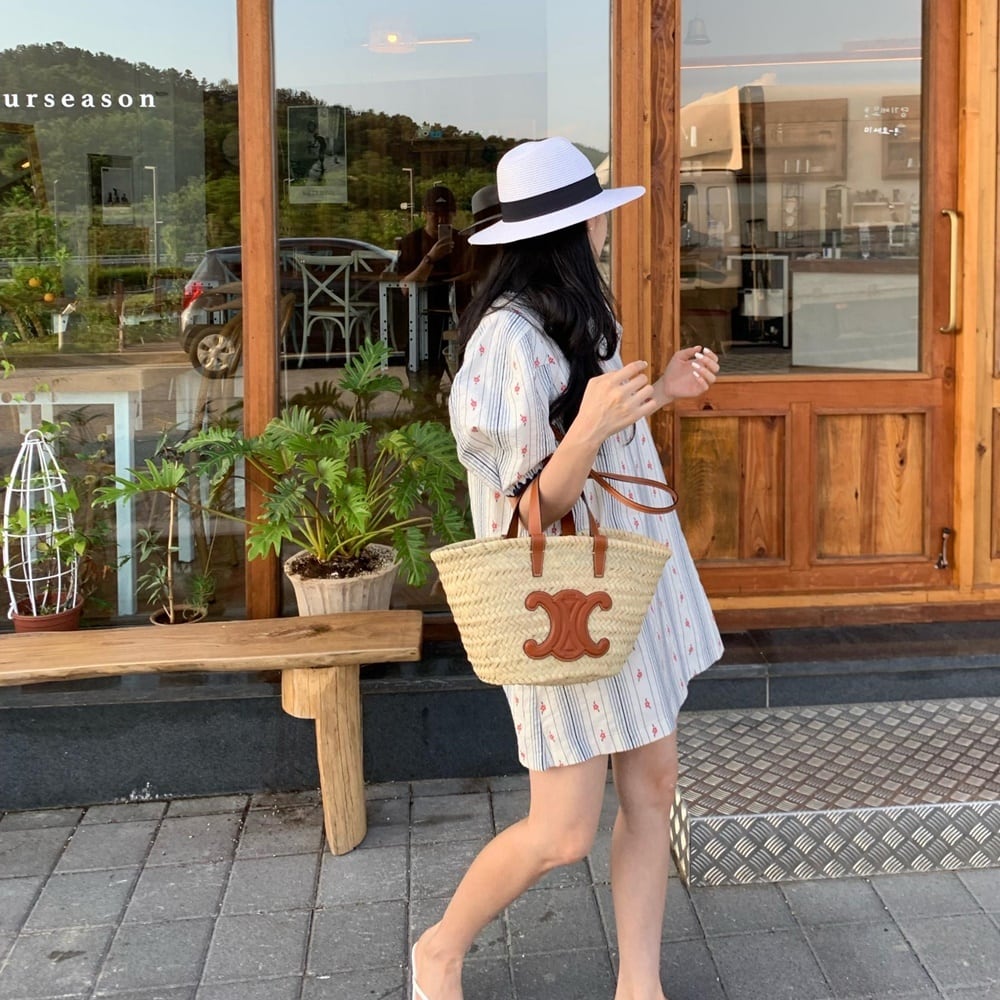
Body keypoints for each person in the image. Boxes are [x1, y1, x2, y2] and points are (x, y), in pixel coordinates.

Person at [410, 137, 724, 1000]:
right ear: (571, 231)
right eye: (594, 220)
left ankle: (640, 985)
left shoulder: (574, 313)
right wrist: (588, 426)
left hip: (627, 586)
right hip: (565, 606)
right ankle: (438, 949)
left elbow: (603, 436)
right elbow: (524, 512)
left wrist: (661, 390)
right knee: (562, 832)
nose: (602, 233)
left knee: (653, 787)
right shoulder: (506, 342)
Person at [396, 184, 470, 381]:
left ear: (453, 214)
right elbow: (405, 287)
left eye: (446, 215)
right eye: (435, 214)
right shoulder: (411, 242)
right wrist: (430, 258)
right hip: (422, 322)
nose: (440, 220)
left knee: (465, 382)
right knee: (423, 384)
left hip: (458, 318)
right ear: (424, 213)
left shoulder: (463, 242)